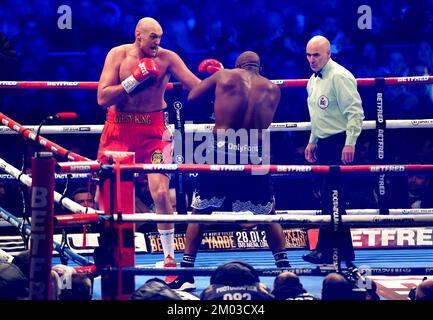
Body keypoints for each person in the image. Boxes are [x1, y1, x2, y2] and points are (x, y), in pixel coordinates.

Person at [169, 51, 290, 291]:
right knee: (268, 215)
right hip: (254, 151)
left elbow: (192, 97)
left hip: (221, 148)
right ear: (259, 67)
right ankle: (285, 271)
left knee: (200, 212)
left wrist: (217, 82)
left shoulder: (224, 76)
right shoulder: (274, 89)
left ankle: (186, 273)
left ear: (237, 65)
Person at [96, 17, 201, 281]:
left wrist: (218, 79)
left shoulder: (168, 58)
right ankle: (109, 252)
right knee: (105, 198)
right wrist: (134, 79)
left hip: (154, 134)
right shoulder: (117, 55)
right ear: (138, 35)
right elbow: (102, 98)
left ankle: (168, 258)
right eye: (153, 37)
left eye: (160, 36)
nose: (157, 42)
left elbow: (197, 86)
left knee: (162, 193)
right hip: (118, 131)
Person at [303, 36, 364, 265]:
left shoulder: (340, 76)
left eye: (316, 54)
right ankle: (341, 252)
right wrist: (313, 140)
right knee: (329, 198)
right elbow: (318, 116)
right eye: (308, 55)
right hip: (325, 143)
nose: (312, 59)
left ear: (328, 53)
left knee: (335, 197)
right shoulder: (313, 80)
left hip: (340, 142)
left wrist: (350, 142)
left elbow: (355, 112)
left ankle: (326, 250)